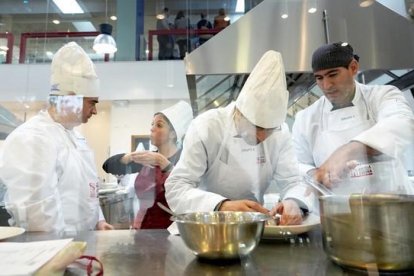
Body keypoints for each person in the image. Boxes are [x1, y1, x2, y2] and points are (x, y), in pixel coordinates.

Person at [165, 51, 314, 225]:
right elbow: (176, 187)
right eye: (256, 127)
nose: (262, 136)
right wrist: (223, 206)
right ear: (239, 113)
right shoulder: (207, 127)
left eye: (269, 130)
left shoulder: (281, 133)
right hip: (206, 225)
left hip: (253, 227)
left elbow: (293, 181)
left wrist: (293, 202)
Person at [0, 42, 113, 233]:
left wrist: (98, 221)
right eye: (91, 102)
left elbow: (89, 189)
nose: (95, 111)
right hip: (52, 253)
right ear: (70, 97)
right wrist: (63, 254)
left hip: (79, 248)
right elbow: (38, 216)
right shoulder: (33, 139)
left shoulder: (75, 138)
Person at [292, 42, 414, 191]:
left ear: (353, 67)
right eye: (319, 78)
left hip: (391, 206)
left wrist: (347, 151)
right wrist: (316, 174)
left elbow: (402, 123)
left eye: (333, 74)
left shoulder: (383, 95)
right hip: (338, 210)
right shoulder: (306, 118)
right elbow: (298, 165)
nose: (326, 86)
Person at [102, 101, 193, 229]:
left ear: (173, 134)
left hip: (171, 230)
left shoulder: (185, 159)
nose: (152, 128)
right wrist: (129, 157)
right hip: (142, 228)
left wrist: (163, 163)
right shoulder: (147, 159)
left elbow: (187, 193)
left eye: (159, 125)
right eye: (152, 124)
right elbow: (108, 166)